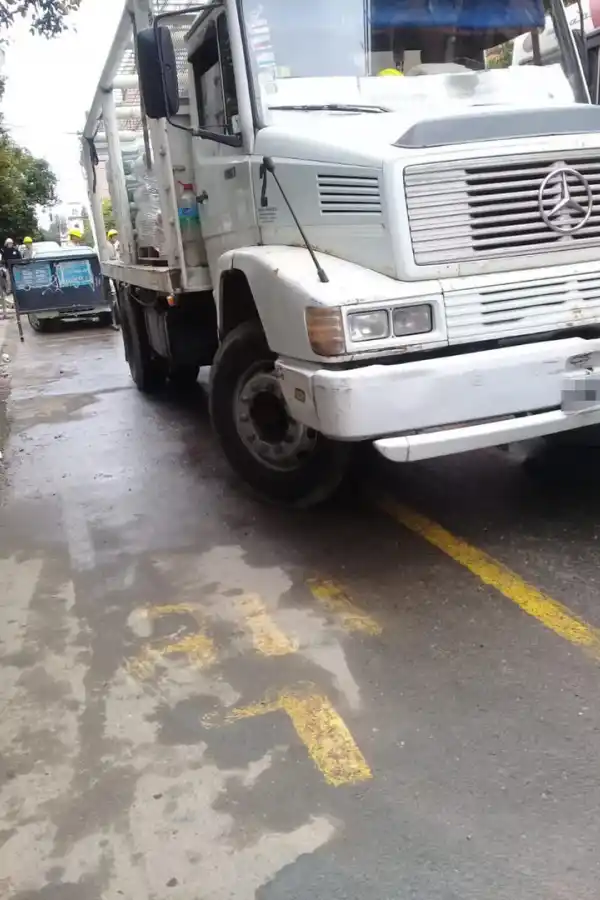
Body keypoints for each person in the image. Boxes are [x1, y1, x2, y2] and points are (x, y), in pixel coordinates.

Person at [0, 239, 21, 319]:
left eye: (11, 243)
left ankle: (14, 291)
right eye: (9, 243)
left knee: (16, 283)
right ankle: (9, 290)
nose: (10, 244)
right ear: (6, 244)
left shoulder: (15, 250)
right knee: (8, 281)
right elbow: (3, 261)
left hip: (16, 269)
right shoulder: (4, 251)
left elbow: (19, 258)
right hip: (8, 269)